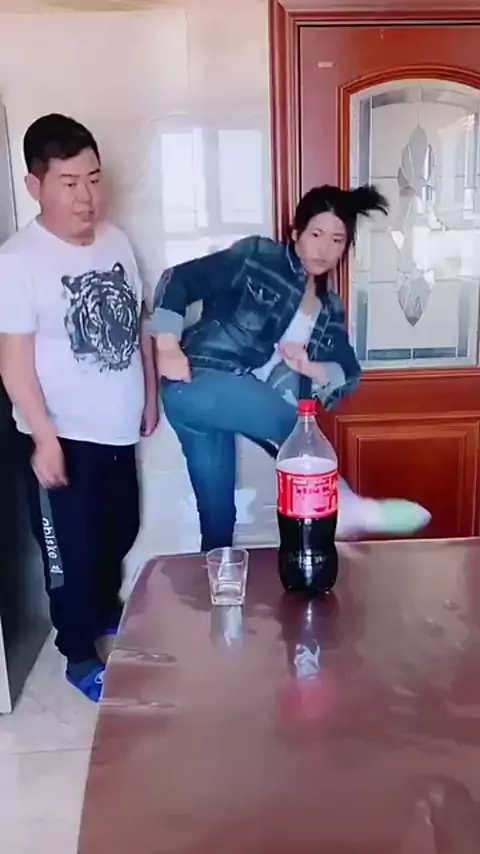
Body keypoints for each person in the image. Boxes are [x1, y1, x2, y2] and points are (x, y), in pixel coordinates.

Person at [149, 184, 430, 552]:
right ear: (295, 232)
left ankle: (217, 582)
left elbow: (348, 372)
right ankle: (345, 505)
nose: (324, 249)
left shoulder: (329, 309)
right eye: (316, 234)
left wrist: (310, 366)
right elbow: (179, 279)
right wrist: (167, 346)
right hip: (199, 377)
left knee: (218, 517)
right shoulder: (258, 257)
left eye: (336, 240)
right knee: (293, 426)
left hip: (214, 408)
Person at [0, 114, 158, 702]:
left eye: (93, 178)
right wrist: (43, 438)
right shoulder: (18, 261)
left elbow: (137, 323)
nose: (86, 196)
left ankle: (102, 612)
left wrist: (150, 393)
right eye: (68, 182)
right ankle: (78, 653)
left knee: (120, 529)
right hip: (61, 437)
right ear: (34, 186)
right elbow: (13, 362)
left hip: (118, 431)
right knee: (70, 552)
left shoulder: (115, 240)